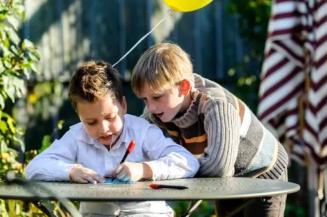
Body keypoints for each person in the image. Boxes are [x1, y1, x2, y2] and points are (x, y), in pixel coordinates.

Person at [131, 42, 289, 217]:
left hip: (263, 175)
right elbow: (133, 143)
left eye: (157, 97)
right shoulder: (156, 112)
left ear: (183, 87)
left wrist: (166, 169)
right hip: (229, 181)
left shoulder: (216, 105)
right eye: (144, 99)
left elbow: (218, 168)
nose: (151, 107)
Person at [26, 60, 199, 217]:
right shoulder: (76, 137)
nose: (103, 129)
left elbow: (188, 162)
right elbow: (34, 168)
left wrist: (144, 169)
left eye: (110, 117)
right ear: (79, 116)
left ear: (123, 106)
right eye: (91, 122)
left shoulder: (143, 131)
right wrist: (71, 171)